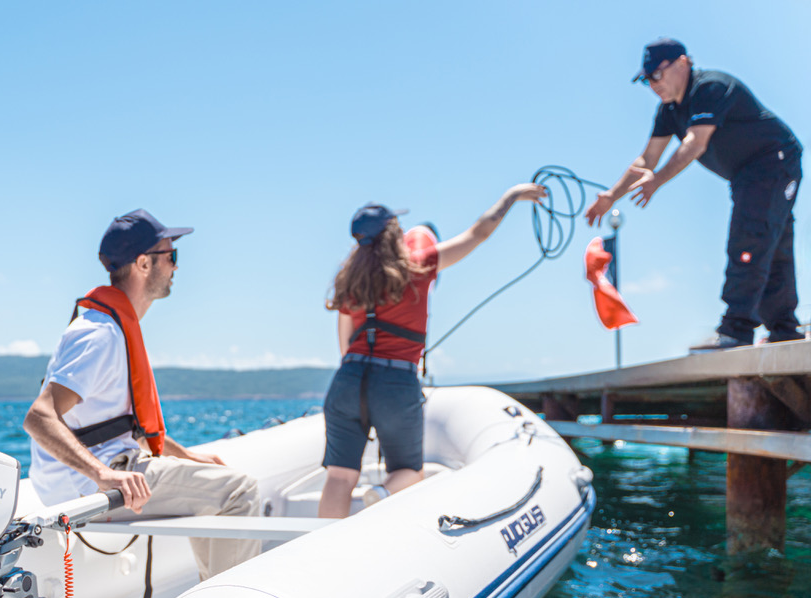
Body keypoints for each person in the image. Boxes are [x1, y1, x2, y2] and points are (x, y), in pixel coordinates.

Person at [23, 209, 261, 580]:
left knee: (211, 490)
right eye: (172, 257)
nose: (176, 268)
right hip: (89, 482)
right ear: (143, 263)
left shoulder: (112, 328)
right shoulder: (100, 334)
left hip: (104, 469)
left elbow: (120, 425)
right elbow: (39, 418)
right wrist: (103, 475)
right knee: (239, 492)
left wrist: (185, 456)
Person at [318, 184, 547, 518]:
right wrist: (512, 196)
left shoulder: (348, 282)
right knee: (409, 473)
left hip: (347, 380)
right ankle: (380, 495)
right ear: (394, 232)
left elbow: (344, 345)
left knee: (339, 476)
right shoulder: (419, 265)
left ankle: (323, 549)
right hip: (395, 382)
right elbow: (479, 233)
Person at [585, 38, 802, 350]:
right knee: (773, 243)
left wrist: (658, 180)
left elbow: (695, 143)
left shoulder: (711, 87)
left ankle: (736, 329)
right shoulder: (668, 112)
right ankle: (784, 330)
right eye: (646, 80)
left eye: (656, 75)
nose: (652, 85)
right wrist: (610, 196)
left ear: (682, 63)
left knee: (751, 238)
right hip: (745, 176)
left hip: (774, 161)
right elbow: (646, 159)